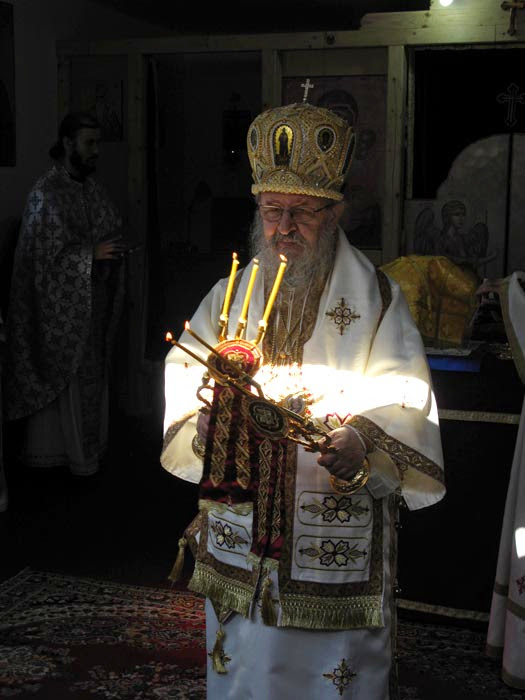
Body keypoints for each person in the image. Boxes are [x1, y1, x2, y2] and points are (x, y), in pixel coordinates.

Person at [161, 102, 445, 700]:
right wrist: (203, 422)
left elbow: (407, 390)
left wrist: (363, 437)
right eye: (272, 211)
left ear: (334, 214)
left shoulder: (378, 298)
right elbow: (186, 369)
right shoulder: (230, 292)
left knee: (331, 673)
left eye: (302, 212)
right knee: (246, 662)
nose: (284, 227)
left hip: (330, 515)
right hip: (244, 518)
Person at [4, 112, 126, 476]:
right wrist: (89, 255)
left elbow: (110, 228)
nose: (96, 151)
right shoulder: (45, 194)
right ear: (67, 142)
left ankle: (88, 454)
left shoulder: (92, 189)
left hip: (91, 309)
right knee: (67, 387)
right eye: (89, 143)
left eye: (98, 143)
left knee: (91, 380)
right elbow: (40, 264)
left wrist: (116, 248)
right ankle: (62, 457)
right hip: (60, 318)